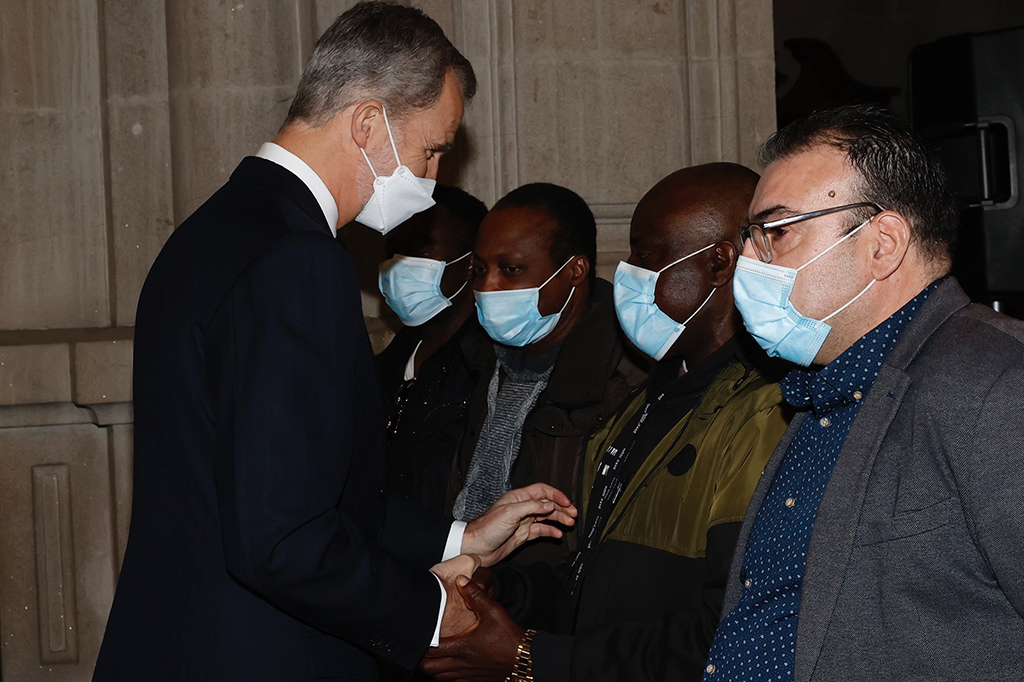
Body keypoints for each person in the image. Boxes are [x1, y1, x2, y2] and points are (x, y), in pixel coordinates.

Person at [93, 5, 575, 681]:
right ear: (368, 123)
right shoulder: (297, 259)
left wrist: (456, 538)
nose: (435, 177)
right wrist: (436, 610)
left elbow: (287, 484)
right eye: (432, 150)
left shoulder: (213, 230)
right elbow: (285, 538)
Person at [420, 163, 790, 682]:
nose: (626, 274)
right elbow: (591, 585)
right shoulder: (646, 403)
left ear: (718, 263)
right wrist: (499, 590)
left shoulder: (768, 412)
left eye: (647, 256)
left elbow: (734, 635)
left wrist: (531, 656)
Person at [703, 104, 1024, 681]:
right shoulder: (826, 391)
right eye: (751, 237)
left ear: (883, 244)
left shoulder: (999, 382)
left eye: (777, 233)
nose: (749, 261)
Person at [447, 182, 646, 566]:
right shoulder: (473, 359)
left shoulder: (622, 380)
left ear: (574, 271)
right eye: (480, 269)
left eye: (511, 270)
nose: (487, 287)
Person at [376, 185, 488, 513]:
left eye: (421, 252)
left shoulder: (486, 369)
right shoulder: (383, 365)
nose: (400, 265)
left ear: (470, 263)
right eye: (394, 251)